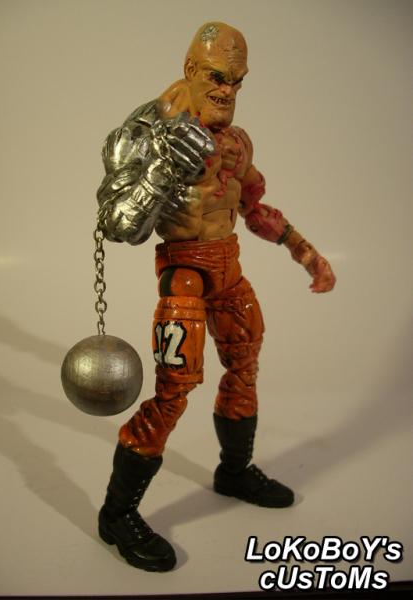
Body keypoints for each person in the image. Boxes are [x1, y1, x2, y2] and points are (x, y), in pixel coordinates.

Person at [96, 22, 336, 572]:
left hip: (230, 270)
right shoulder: (149, 133)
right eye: (218, 77)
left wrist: (305, 251)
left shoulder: (236, 142)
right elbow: (117, 223)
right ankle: (116, 514)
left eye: (238, 80)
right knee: (175, 389)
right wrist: (160, 168)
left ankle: (234, 471)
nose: (228, 90)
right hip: (184, 272)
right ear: (190, 70)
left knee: (245, 366)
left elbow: (254, 209)